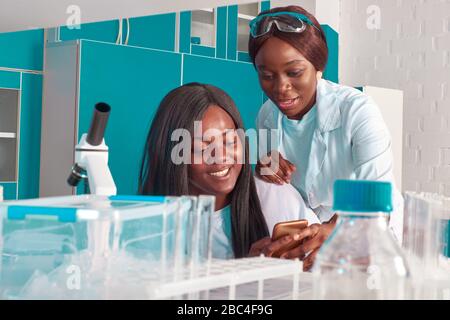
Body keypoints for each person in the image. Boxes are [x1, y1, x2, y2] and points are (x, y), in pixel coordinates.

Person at [247, 6, 403, 270]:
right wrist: (266, 166)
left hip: (367, 229)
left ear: (318, 67)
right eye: (267, 75)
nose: (280, 87)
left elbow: (376, 196)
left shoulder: (357, 111)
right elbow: (280, 191)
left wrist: (334, 230)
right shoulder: (266, 116)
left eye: (294, 73)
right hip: (308, 231)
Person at [139, 83, 317, 259]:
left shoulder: (274, 194)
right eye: (202, 147)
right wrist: (245, 271)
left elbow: (325, 262)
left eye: (230, 141)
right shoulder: (149, 228)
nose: (222, 157)